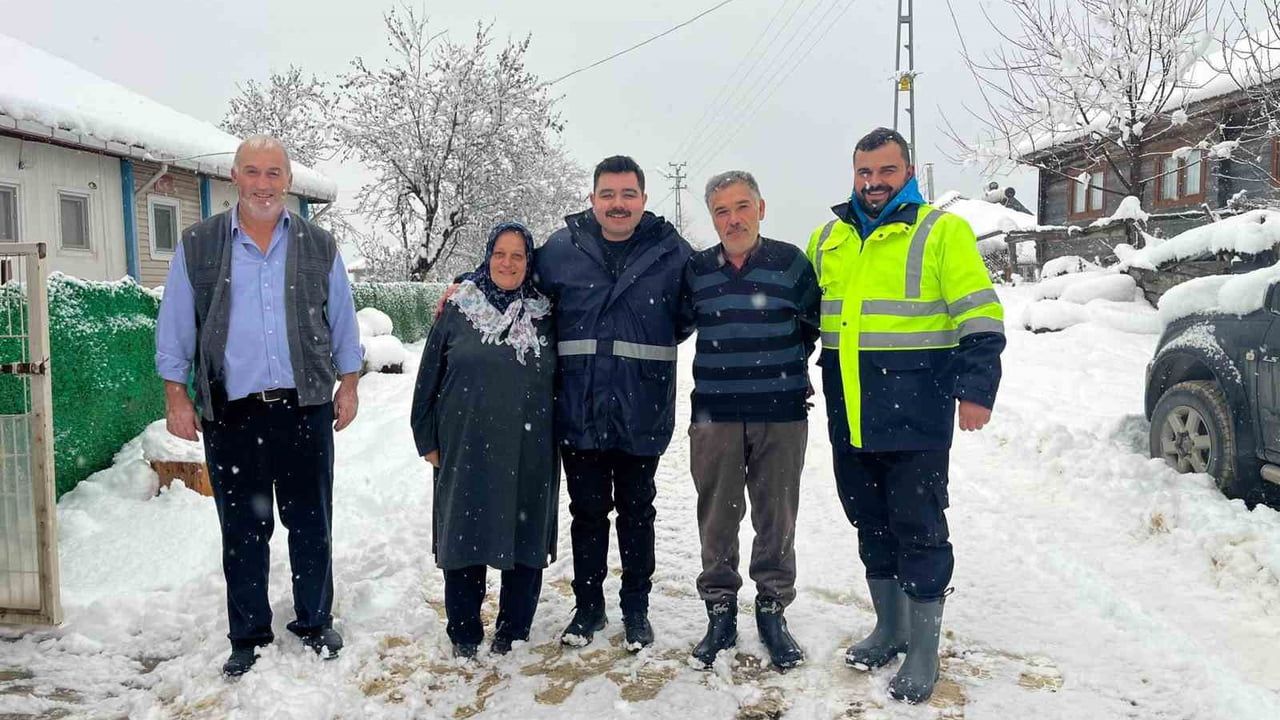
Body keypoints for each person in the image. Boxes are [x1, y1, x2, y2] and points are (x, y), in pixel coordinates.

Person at [806, 127, 1004, 703]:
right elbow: (806, 319)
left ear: (908, 171)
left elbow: (980, 316)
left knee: (918, 527)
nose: (874, 183)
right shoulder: (829, 238)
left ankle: (923, 649)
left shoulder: (941, 232)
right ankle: (889, 627)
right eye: (865, 173)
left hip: (916, 414)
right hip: (851, 415)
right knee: (868, 521)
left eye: (886, 172)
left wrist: (976, 390)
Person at [155, 135, 362, 677]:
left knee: (311, 521)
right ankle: (248, 633)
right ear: (235, 177)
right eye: (253, 172)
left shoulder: (319, 245)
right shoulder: (199, 245)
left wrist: (350, 383)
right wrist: (176, 395)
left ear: (288, 181)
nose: (264, 184)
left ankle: (315, 621)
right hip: (233, 412)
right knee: (243, 529)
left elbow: (342, 321)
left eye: (274, 173)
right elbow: (176, 325)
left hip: (305, 408)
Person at [534, 155, 693, 650]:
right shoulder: (561, 250)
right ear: (592, 199)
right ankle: (588, 608)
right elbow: (512, 277)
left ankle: (636, 609)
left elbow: (687, 317)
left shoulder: (672, 252)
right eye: (608, 194)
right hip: (578, 408)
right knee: (586, 513)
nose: (617, 204)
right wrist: (466, 286)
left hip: (641, 407)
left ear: (644, 200)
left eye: (628, 195)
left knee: (637, 513)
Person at [680, 171, 819, 670]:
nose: (733, 218)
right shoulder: (695, 271)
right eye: (721, 210)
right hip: (715, 417)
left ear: (761, 208)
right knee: (716, 518)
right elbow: (673, 324)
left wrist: (778, 372)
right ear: (712, 217)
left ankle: (772, 608)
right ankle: (719, 610)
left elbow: (810, 326)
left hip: (780, 417)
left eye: (742, 207)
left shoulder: (791, 265)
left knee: (776, 518)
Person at [410, 222, 558, 659]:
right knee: (464, 534)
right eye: (500, 254)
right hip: (465, 444)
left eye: (518, 256)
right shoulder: (459, 306)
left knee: (525, 535)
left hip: (531, 450)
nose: (508, 263)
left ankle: (514, 629)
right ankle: (464, 631)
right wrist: (426, 436)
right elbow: (428, 379)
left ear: (529, 262)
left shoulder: (548, 312)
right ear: (487, 256)